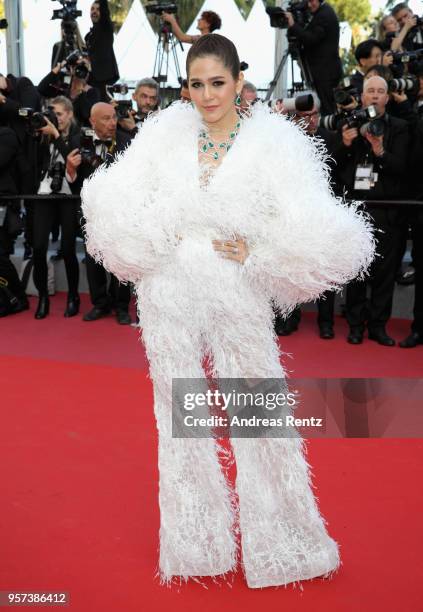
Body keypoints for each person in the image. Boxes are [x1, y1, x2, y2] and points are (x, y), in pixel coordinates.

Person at [81, 34, 375, 588]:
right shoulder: (164, 133)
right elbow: (112, 198)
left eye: (218, 82)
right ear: (186, 87)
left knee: (258, 409)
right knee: (180, 420)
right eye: (196, 84)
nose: (207, 95)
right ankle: (197, 546)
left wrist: (259, 251)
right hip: (167, 290)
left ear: (239, 81)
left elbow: (311, 221)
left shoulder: (274, 142)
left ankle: (284, 541)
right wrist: (153, 236)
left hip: (235, 288)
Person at [332, 76, 409, 346]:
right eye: (370, 91)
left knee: (385, 274)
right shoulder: (349, 125)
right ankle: (355, 325)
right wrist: (345, 143)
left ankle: (378, 326)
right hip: (357, 210)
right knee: (356, 272)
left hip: (388, 210)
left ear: (387, 98)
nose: (375, 96)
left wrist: (380, 150)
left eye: (380, 91)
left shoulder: (400, 128)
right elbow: (331, 165)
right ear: (362, 97)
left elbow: (402, 169)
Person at [66, 102, 132, 324]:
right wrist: (70, 170)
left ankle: (122, 306)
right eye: (105, 119)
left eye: (113, 117)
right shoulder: (77, 141)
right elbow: (74, 184)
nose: (112, 122)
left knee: (121, 260)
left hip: (120, 211)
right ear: (92, 121)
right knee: (93, 259)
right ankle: (100, 303)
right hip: (91, 213)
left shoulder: (127, 141)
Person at [32, 97, 80, 320]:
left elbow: (73, 156)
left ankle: (73, 296)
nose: (55, 119)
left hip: (68, 196)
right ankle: (43, 296)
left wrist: (57, 135)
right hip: (44, 194)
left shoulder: (78, 135)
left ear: (69, 114)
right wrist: (40, 134)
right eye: (53, 114)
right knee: (39, 247)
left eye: (59, 114)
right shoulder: (42, 134)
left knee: (69, 249)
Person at [285, 0, 343, 115]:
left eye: (312, 1)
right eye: (307, 1)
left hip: (325, 72)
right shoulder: (322, 12)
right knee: (325, 107)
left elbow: (311, 39)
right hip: (323, 71)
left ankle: (328, 131)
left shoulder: (324, 15)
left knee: (327, 108)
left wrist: (293, 25)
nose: (309, 5)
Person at [85, 0, 119, 98]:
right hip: (91, 80)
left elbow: (105, 13)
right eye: (92, 9)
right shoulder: (89, 35)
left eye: (98, 9)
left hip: (103, 81)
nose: (94, 11)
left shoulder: (105, 28)